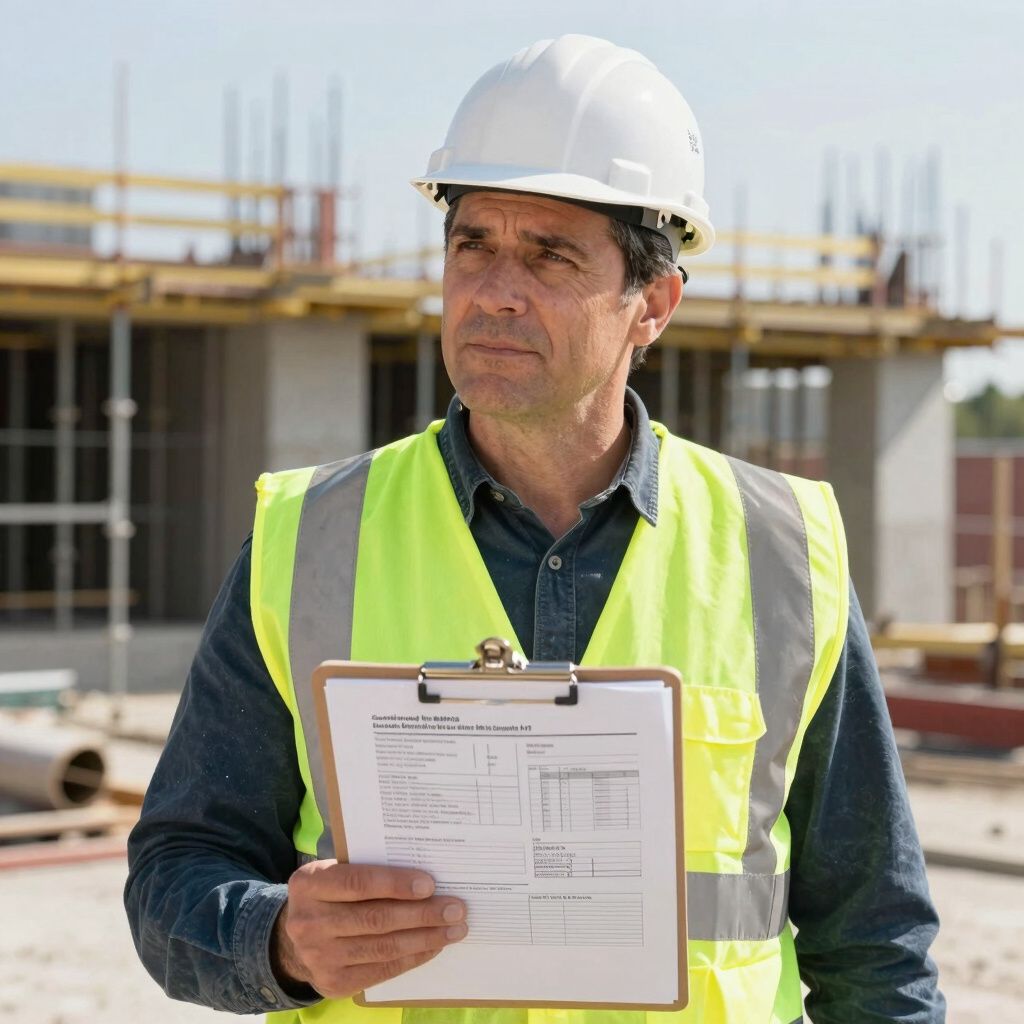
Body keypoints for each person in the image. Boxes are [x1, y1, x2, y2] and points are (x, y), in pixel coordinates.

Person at [125, 35, 945, 1024]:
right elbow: (175, 876)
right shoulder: (308, 537)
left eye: (549, 254)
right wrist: (279, 942)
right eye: (472, 244)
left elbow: (877, 943)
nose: (494, 289)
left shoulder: (778, 551)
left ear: (652, 304)